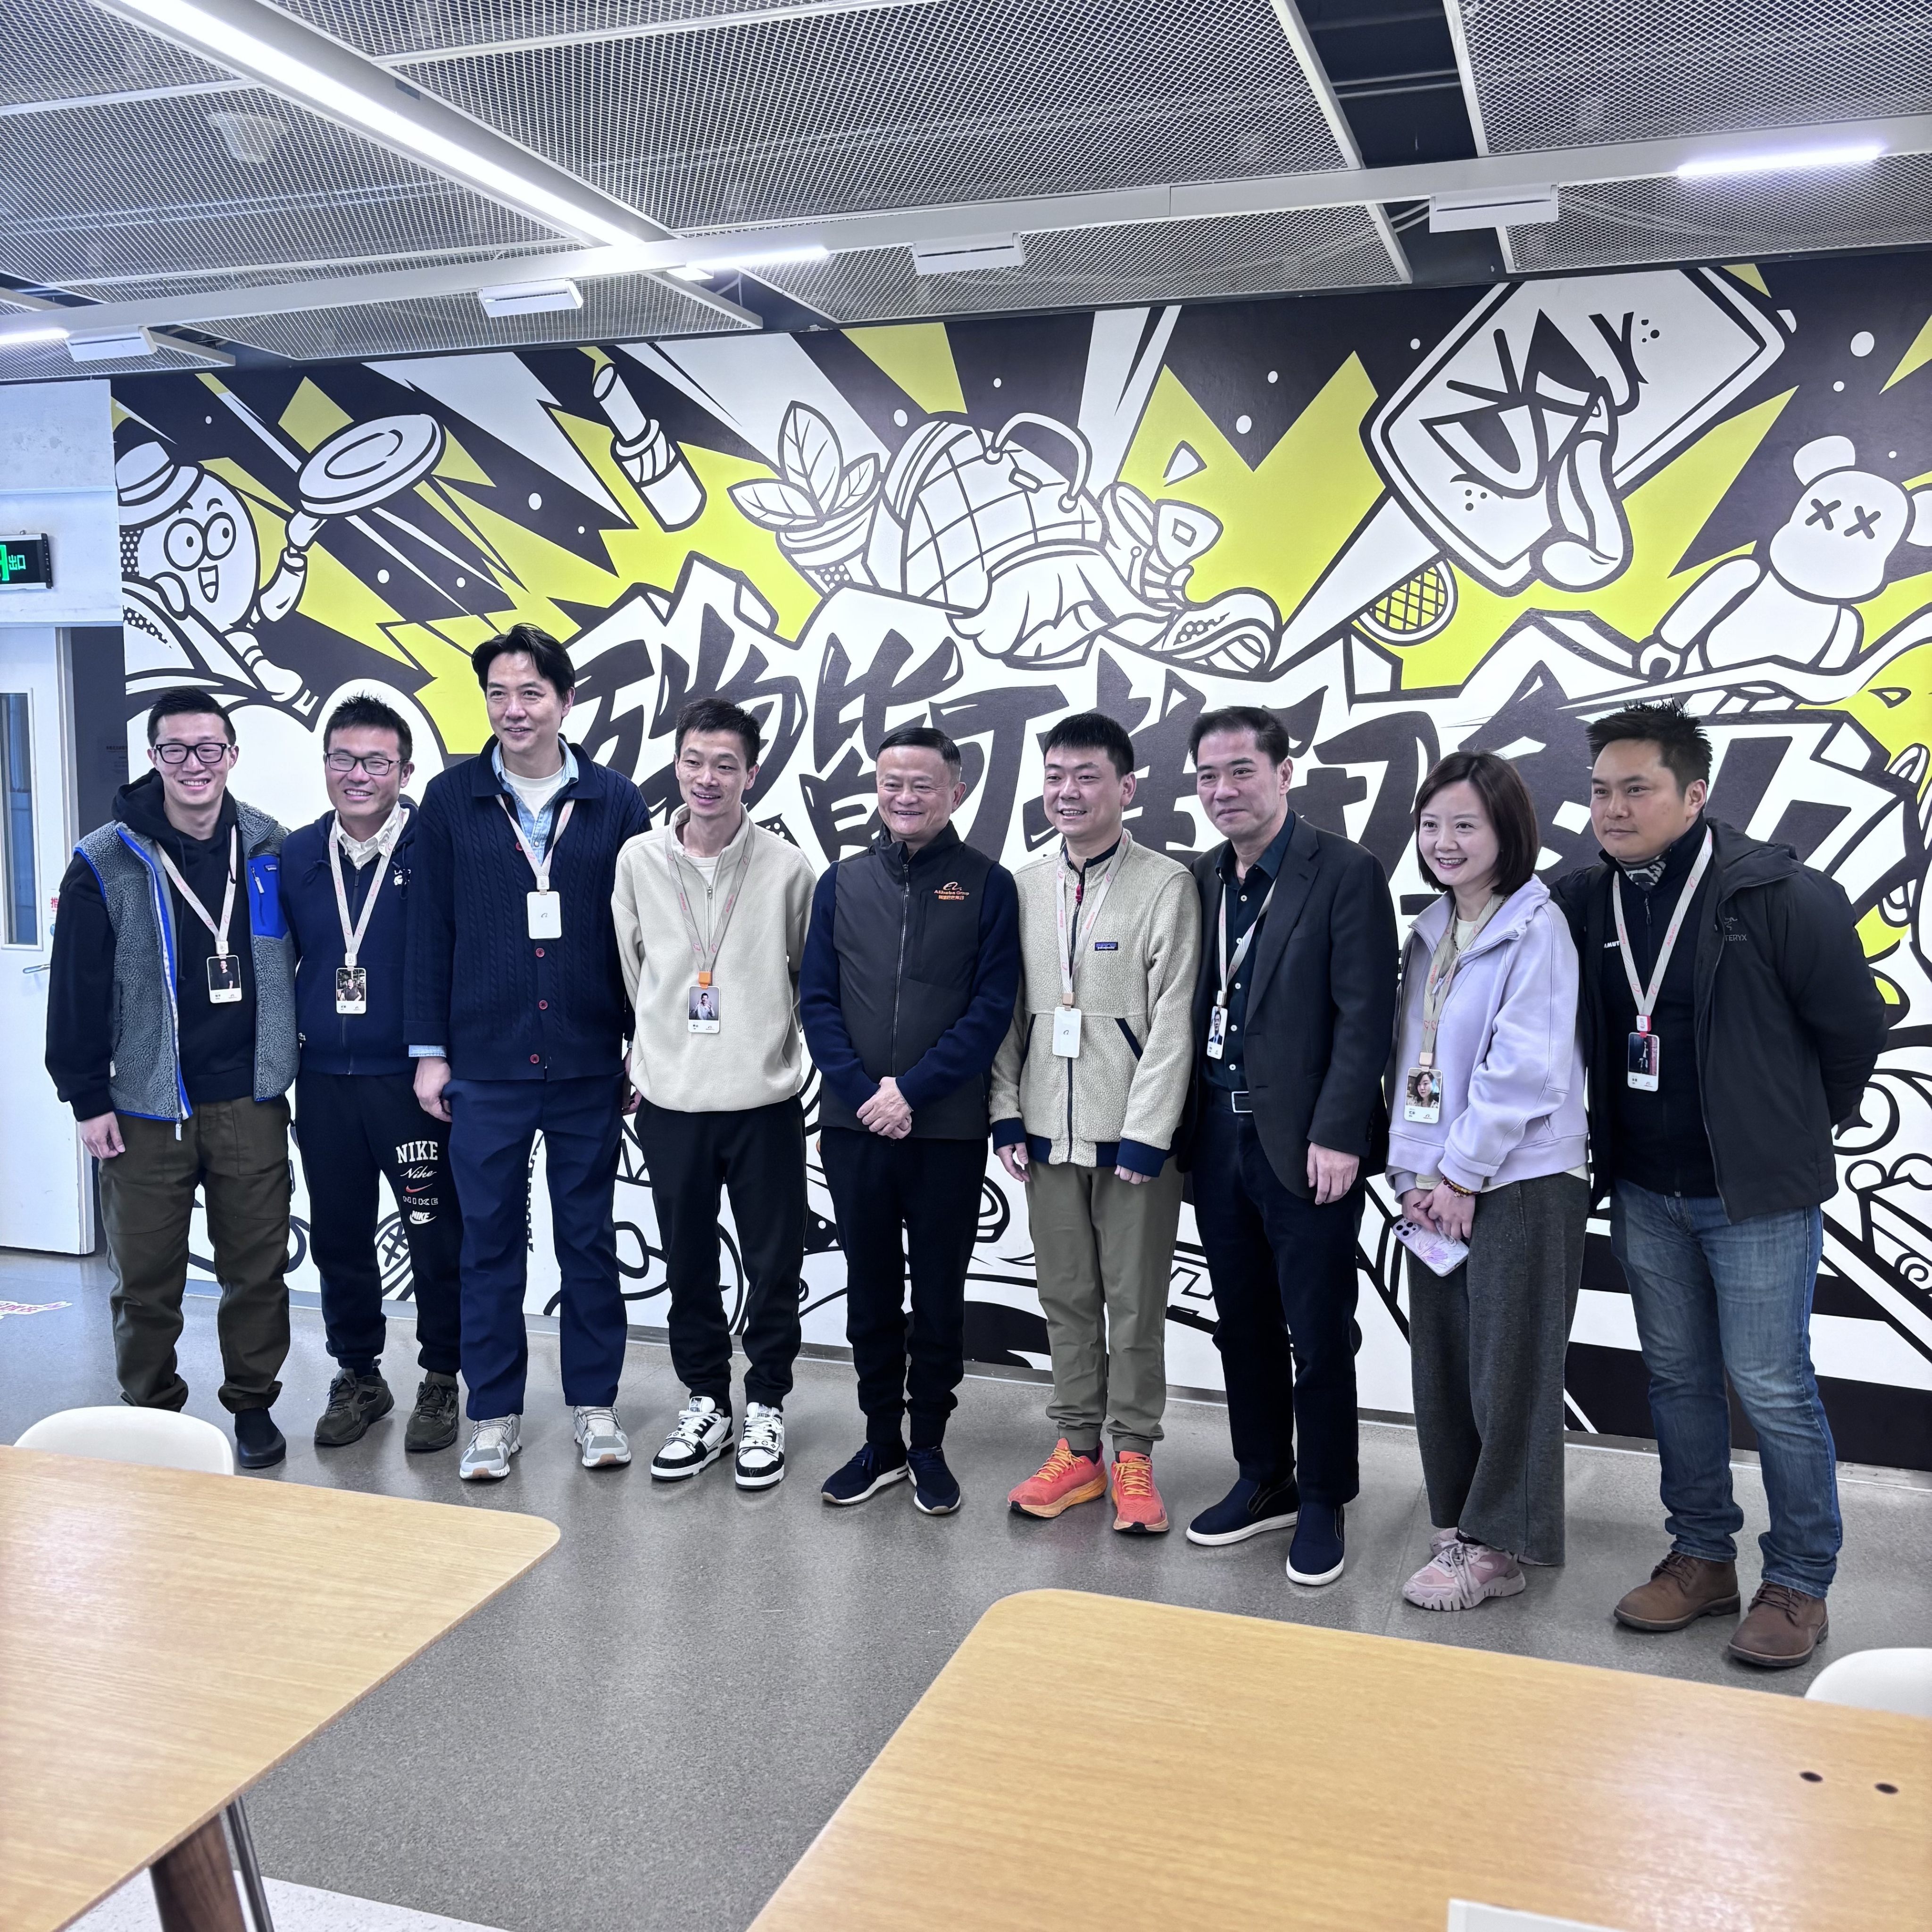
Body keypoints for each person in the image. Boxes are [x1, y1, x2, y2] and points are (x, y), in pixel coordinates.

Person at [1555, 702, 1887, 1667]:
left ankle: (1798, 1579)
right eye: (1599, 791)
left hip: (1754, 1196)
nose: (1611, 809)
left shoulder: (1776, 893)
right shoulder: (1586, 899)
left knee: (1772, 1384)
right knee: (1676, 1378)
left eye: (1635, 789)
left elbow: (1850, 1033)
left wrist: (1782, 1132)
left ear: (1693, 793)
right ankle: (1701, 1554)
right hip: (1644, 1190)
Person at [407, 625, 650, 1481]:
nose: (515, 711)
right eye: (499, 696)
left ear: (566, 701)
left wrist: (638, 1048)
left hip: (588, 1063)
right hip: (486, 1065)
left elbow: (641, 939)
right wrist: (431, 1054)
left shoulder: (617, 802)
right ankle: (496, 1414)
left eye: (531, 694)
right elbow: (426, 933)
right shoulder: (451, 799)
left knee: (587, 1239)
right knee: (489, 1245)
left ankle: (594, 1406)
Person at [45, 688, 296, 1469]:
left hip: (248, 1097)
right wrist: (87, 1097)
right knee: (145, 1280)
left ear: (232, 755)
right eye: (176, 749)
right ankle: (151, 1410)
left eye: (209, 748)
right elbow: (76, 990)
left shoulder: (269, 847)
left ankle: (253, 1404)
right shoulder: (105, 859)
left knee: (255, 1268)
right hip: (146, 1106)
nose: (195, 764)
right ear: (153, 757)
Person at [1181, 707, 1397, 1585]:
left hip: (1307, 1145)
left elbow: (1364, 1017)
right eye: (1207, 777)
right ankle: (1263, 1475)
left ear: (1283, 773)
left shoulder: (1343, 871)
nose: (1223, 791)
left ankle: (1322, 1498)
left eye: (1240, 771)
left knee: (1318, 1329)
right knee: (1243, 1325)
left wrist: (1341, 1132)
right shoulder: (1201, 880)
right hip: (1216, 1134)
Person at [799, 723, 1019, 1516]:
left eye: (922, 784)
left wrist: (912, 1092)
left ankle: (928, 1443)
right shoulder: (841, 882)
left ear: (955, 792)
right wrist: (864, 1091)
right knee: (870, 1289)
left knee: (937, 1293)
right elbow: (816, 1000)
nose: (904, 797)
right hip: (855, 1127)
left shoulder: (988, 886)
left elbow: (991, 1008)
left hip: (946, 1132)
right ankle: (880, 1442)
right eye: (891, 782)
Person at [1387, 752, 1588, 1612]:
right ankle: (1463, 1520)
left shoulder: (1535, 927)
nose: (1445, 842)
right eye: (1432, 825)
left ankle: (1500, 1546)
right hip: (1439, 1183)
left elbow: (1528, 1069)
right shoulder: (1434, 930)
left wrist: (1463, 1174)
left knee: (1509, 1368)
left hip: (1520, 1179)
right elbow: (1414, 1064)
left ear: (1509, 831)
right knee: (1445, 1363)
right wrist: (1414, 1174)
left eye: (1465, 824)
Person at [991, 712, 1199, 1534]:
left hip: (1131, 1144)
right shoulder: (1025, 884)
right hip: (1045, 1134)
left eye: (1086, 777)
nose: (1067, 792)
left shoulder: (1165, 885)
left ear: (1126, 788)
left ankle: (1136, 1451)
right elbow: (1008, 1013)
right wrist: (1007, 1113)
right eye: (1055, 776)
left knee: (1134, 1301)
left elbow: (1176, 1020)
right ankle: (1078, 1451)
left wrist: (1148, 1135)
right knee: (1067, 1297)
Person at [612, 697, 817, 1489]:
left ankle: (766, 1401)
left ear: (751, 775)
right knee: (690, 1264)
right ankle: (706, 1400)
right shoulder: (639, 861)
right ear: (677, 765)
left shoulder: (786, 868)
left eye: (726, 765)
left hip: (763, 1105)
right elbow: (635, 973)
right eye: (695, 761)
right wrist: (654, 1051)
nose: (708, 778)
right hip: (671, 1104)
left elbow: (807, 978)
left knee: (773, 1264)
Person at [281, 694, 462, 1455]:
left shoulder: (437, 847)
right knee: (340, 1237)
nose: (358, 775)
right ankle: (359, 1372)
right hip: (322, 1080)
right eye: (344, 760)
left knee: (433, 1233)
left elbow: (461, 958)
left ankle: (443, 1376)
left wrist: (441, 1055)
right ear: (325, 764)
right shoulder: (293, 854)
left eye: (376, 762)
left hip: (410, 1080)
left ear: (405, 770)